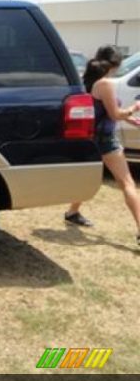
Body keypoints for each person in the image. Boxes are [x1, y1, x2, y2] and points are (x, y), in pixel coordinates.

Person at [64, 45, 140, 246]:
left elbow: (103, 110)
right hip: (105, 138)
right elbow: (114, 114)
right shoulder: (105, 83)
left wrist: (129, 118)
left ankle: (72, 212)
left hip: (89, 138)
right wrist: (133, 108)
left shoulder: (88, 81)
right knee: (127, 183)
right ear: (116, 64)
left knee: (88, 178)